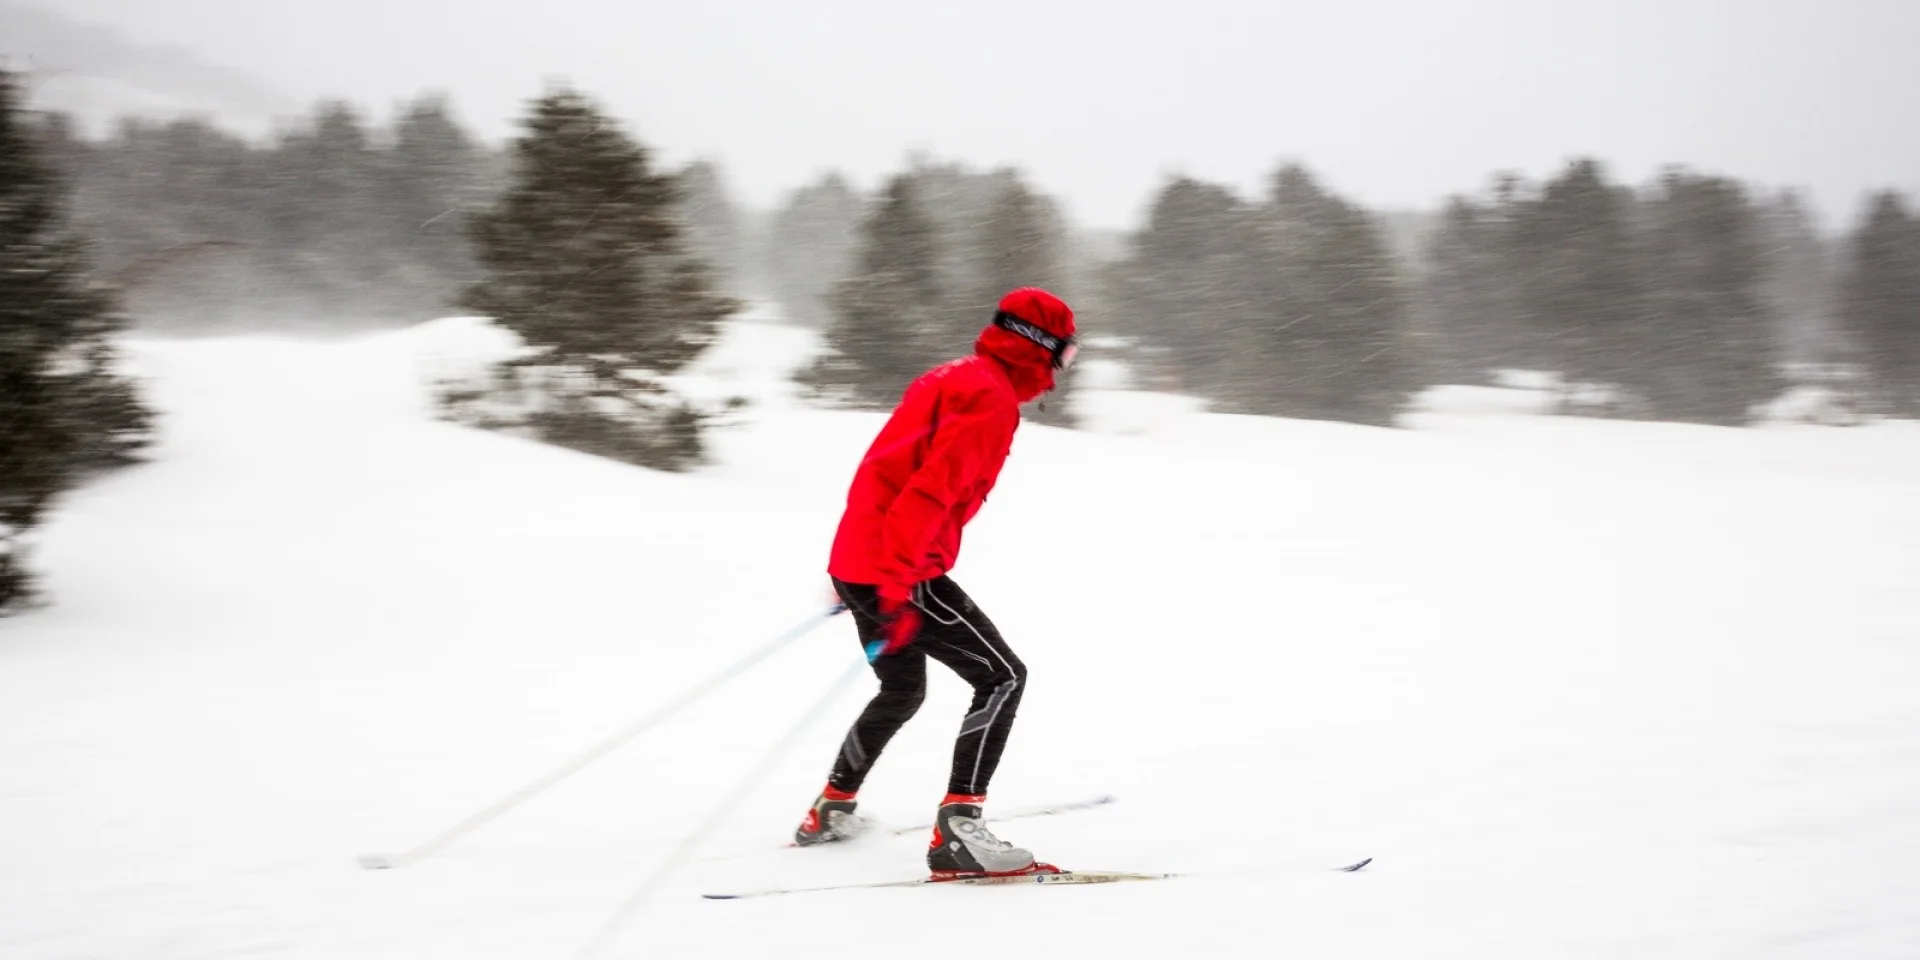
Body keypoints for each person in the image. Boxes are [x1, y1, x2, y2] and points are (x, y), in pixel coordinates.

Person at [791, 287, 1079, 879]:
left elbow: (881, 468)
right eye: (1067, 355)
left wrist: (848, 574)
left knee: (901, 689)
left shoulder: (953, 376)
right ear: (1040, 347)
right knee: (1002, 676)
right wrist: (894, 590)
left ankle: (833, 808)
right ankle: (960, 832)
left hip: (866, 561)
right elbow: (927, 493)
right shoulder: (988, 397)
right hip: (899, 567)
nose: (1063, 370)